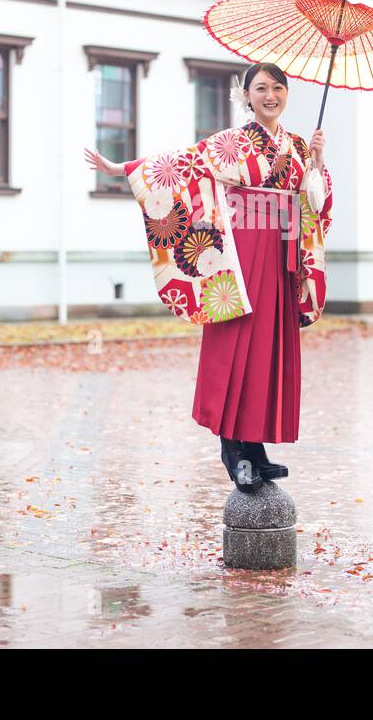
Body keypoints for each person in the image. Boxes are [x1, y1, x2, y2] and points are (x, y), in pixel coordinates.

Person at [84, 62, 334, 492]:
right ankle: (231, 448)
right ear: (247, 95)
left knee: (268, 347)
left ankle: (255, 447)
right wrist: (121, 169)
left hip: (281, 251)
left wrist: (317, 162)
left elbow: (313, 199)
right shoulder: (231, 143)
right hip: (238, 253)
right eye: (261, 88)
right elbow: (180, 166)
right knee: (235, 343)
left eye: (277, 88)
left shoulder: (295, 146)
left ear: (287, 94)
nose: (269, 95)